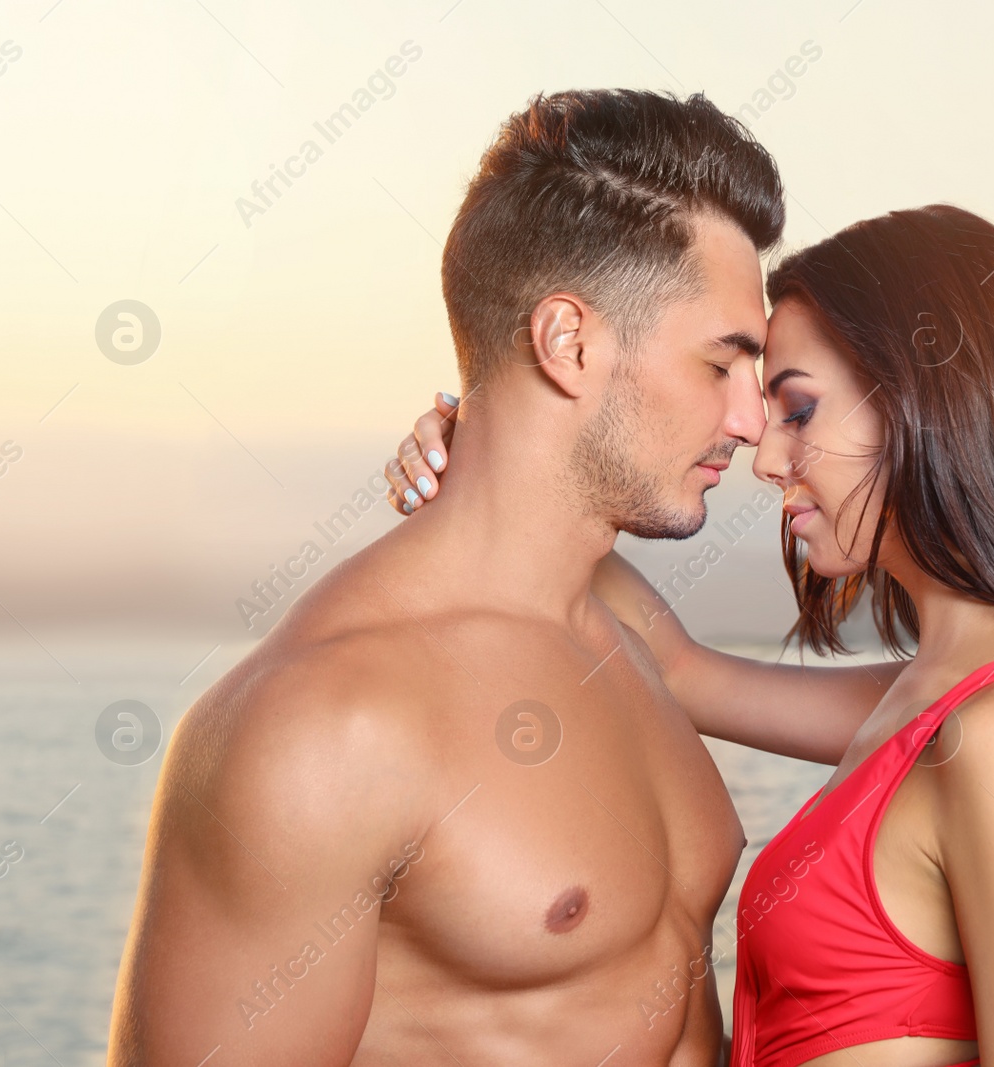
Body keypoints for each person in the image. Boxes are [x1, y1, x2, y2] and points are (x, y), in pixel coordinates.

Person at [107, 89, 911, 1067]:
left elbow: (944, 702)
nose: (750, 424)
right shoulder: (317, 729)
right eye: (720, 365)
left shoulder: (629, 632)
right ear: (568, 342)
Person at [387, 204, 994, 1065]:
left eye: (799, 411)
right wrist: (496, 446)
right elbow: (674, 669)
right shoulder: (924, 700)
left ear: (930, 398)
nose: (764, 456)